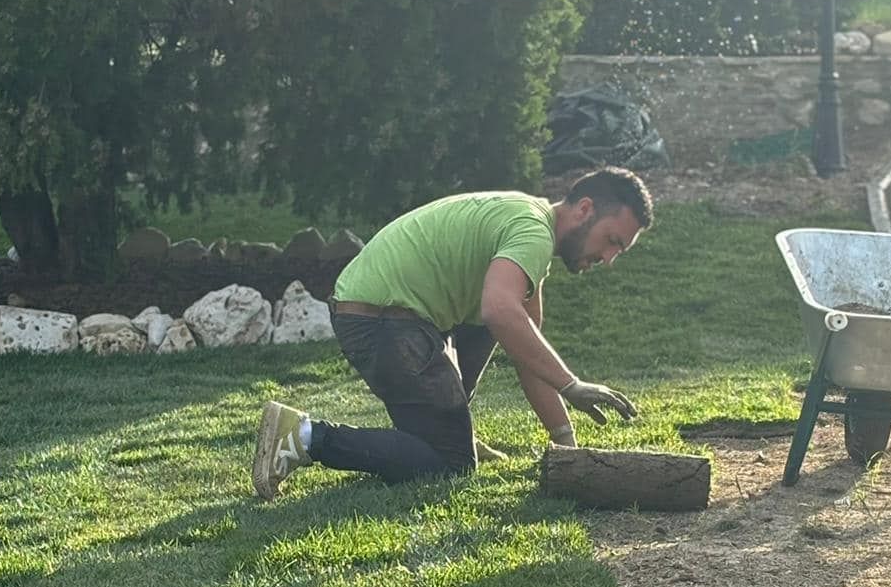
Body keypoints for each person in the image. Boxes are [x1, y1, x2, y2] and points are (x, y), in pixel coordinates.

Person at [251, 166, 653, 498]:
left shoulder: (526, 224)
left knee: (504, 329)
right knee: (449, 465)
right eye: (612, 241)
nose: (609, 258)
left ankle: (448, 430)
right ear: (585, 209)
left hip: (394, 316)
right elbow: (499, 310)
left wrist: (567, 445)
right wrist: (571, 384)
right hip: (381, 320)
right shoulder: (532, 230)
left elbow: (526, 351)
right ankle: (304, 436)